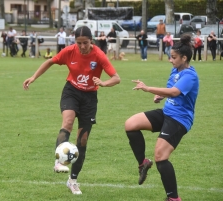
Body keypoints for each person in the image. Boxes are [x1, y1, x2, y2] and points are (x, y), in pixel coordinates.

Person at [23, 26, 121, 195]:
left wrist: (103, 83)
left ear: (92, 41)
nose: (82, 46)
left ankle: (73, 181)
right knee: (67, 122)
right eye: (79, 43)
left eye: (85, 43)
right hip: (71, 92)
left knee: (82, 140)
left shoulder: (98, 55)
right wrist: (33, 77)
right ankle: (58, 162)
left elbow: (116, 78)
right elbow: (49, 62)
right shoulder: (69, 51)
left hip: (89, 99)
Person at [124, 34, 199, 201]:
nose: (170, 60)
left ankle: (173, 198)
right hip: (167, 112)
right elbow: (170, 89)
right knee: (130, 124)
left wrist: (148, 88)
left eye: (173, 57)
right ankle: (143, 162)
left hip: (179, 120)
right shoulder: (176, 71)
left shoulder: (190, 76)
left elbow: (174, 92)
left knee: (160, 156)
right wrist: (160, 96)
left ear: (184, 57)